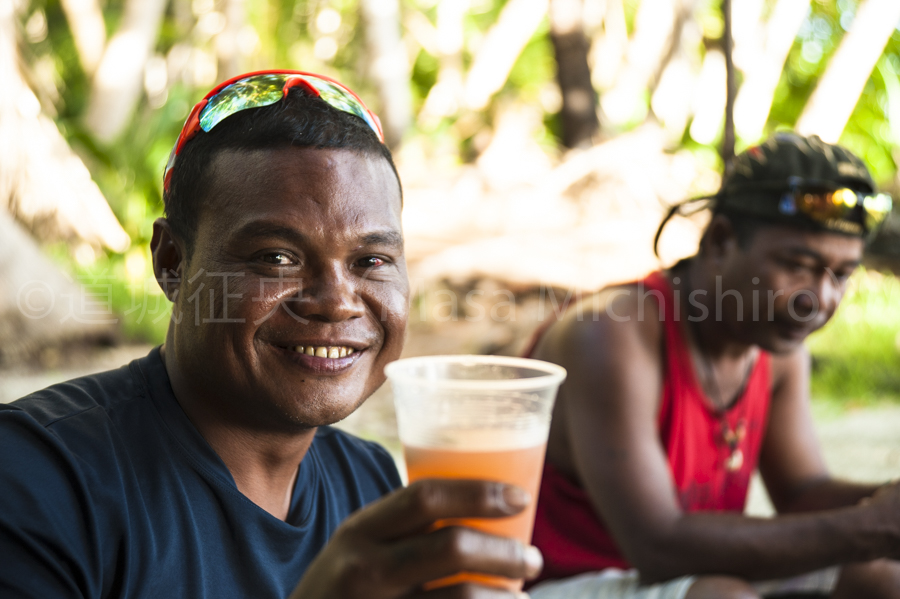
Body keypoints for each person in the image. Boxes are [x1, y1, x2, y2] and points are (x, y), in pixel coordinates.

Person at [0, 71, 541, 598]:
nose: (337, 302)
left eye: (371, 260)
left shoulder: (369, 482)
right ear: (172, 263)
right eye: (277, 257)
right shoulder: (36, 476)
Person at [525, 134, 900, 599]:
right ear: (721, 241)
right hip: (553, 582)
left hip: (683, 573)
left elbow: (802, 494)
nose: (819, 298)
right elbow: (656, 544)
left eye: (841, 274)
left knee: (881, 575)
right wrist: (871, 527)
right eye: (798, 265)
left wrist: (887, 507)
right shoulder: (610, 333)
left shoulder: (776, 348)